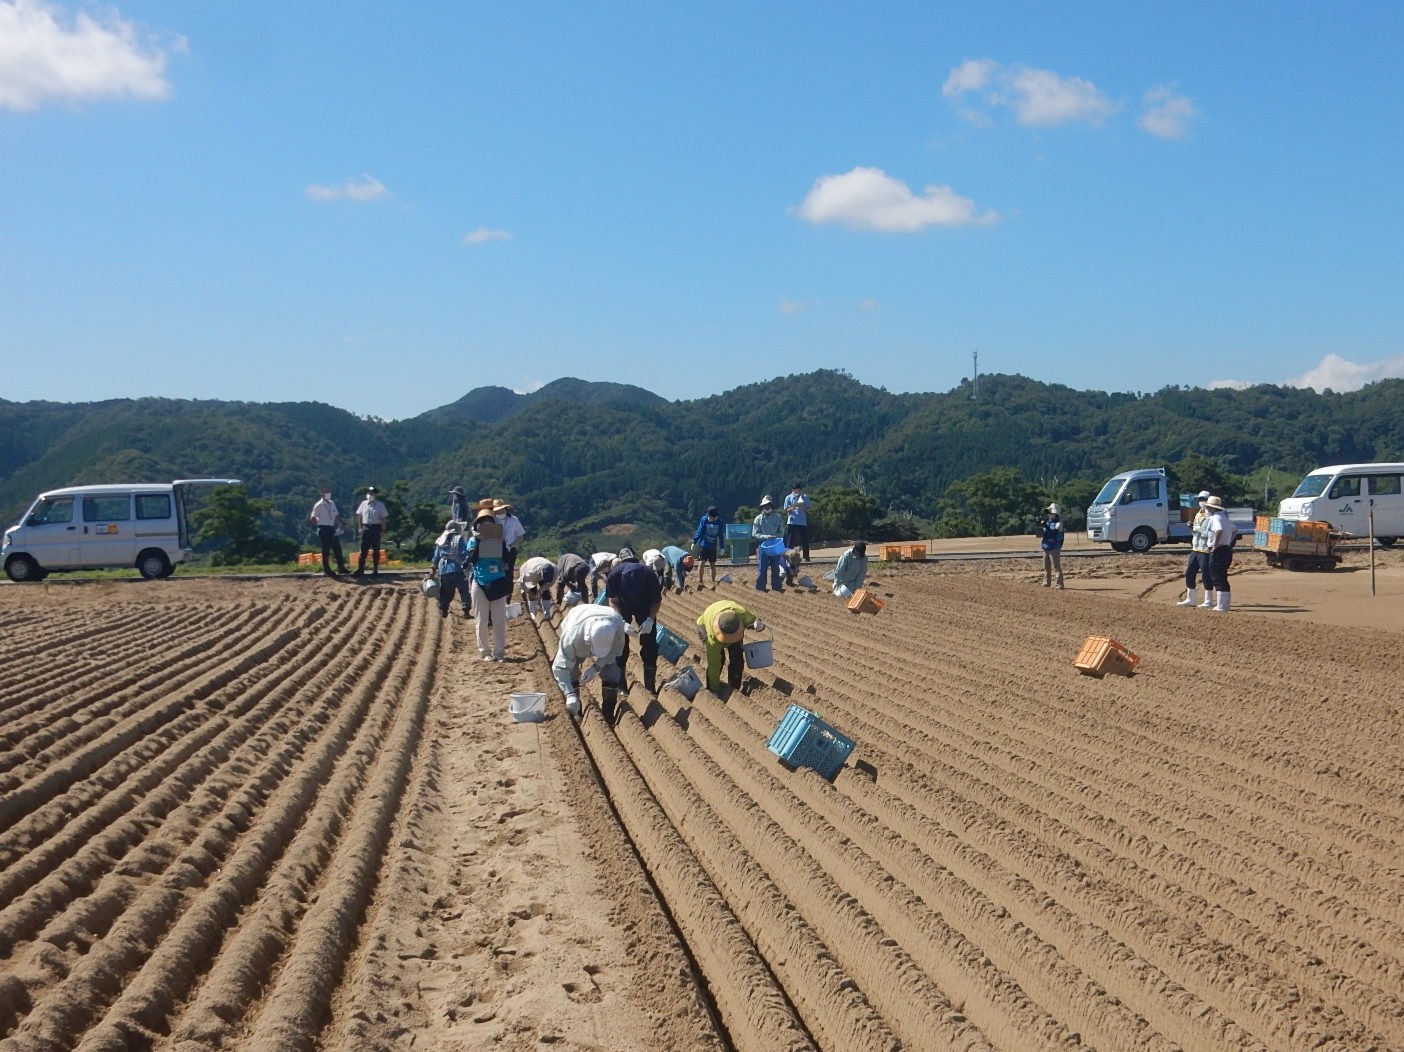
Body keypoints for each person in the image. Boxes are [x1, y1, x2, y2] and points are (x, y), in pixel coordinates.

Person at [604, 546, 664, 694]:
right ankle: (639, 686)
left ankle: (627, 687)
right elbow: (613, 602)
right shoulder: (618, 575)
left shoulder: (647, 573)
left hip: (643, 605)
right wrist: (621, 622)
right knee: (630, 643)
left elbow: (656, 600)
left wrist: (649, 620)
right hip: (624, 607)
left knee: (625, 644)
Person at [552, 603, 627, 720]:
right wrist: (569, 694)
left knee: (611, 671)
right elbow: (560, 668)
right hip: (577, 617)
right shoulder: (571, 637)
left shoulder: (617, 626)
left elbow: (614, 652)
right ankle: (576, 710)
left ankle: (608, 714)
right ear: (588, 640)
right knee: (572, 670)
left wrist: (596, 667)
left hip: (604, 617)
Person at [467, 508, 511, 659]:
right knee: (481, 620)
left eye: (489, 524)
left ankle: (499, 653)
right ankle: (485, 652)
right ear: (477, 526)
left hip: (498, 581)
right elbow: (472, 559)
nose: (486, 526)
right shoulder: (473, 541)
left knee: (499, 620)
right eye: (482, 524)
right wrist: (480, 541)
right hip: (480, 582)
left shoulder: (500, 540)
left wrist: (502, 543)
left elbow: (507, 560)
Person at [695, 599, 763, 693]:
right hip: (704, 625)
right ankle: (712, 688)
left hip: (729, 622)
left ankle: (734, 687)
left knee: (737, 658)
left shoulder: (741, 613)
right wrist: (715, 690)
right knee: (719, 659)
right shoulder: (712, 637)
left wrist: (758, 625)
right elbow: (713, 664)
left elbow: (753, 620)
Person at [1177, 490, 1214, 607]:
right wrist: (1192, 528)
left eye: (1203, 499)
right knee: (1189, 573)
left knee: (1206, 574)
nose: (1201, 502)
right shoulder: (1198, 514)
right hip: (1196, 548)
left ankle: (1208, 600)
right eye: (1199, 499)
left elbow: (1209, 533)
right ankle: (1190, 599)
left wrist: (1196, 529)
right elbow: (1196, 531)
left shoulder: (1211, 516)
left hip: (1205, 549)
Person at [429, 520, 471, 618]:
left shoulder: (441, 539)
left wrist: (433, 568)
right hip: (459, 569)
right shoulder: (459, 538)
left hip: (444, 569)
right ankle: (466, 611)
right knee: (463, 591)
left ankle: (443, 609)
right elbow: (465, 553)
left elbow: (436, 556)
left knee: (445, 591)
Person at [1204, 495, 1237, 613]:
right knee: (1222, 576)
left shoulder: (1215, 518)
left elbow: (1218, 530)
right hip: (1226, 549)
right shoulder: (1224, 518)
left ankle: (1221, 606)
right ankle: (1224, 605)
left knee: (1217, 576)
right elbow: (1234, 530)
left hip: (1219, 550)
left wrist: (1215, 545)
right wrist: (1229, 542)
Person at [308, 486, 349, 576]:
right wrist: (319, 524)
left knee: (337, 548)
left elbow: (336, 515)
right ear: (322, 494)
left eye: (328, 492)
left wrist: (342, 522)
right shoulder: (318, 505)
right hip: (323, 528)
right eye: (326, 492)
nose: (328, 494)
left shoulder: (332, 503)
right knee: (326, 549)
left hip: (331, 528)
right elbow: (312, 518)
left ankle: (341, 567)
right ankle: (326, 569)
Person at [353, 486, 389, 578]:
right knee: (363, 549)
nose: (370, 495)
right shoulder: (363, 503)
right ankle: (360, 569)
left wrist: (383, 529)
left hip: (375, 527)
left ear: (376, 494)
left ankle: (375, 570)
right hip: (366, 527)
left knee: (376, 550)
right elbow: (359, 516)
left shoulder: (380, 505)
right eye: (369, 493)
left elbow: (383, 518)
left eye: (372, 493)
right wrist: (360, 527)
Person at [752, 495, 785, 592]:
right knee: (762, 568)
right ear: (762, 507)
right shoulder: (758, 519)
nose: (766, 507)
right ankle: (760, 588)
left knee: (776, 568)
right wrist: (766, 537)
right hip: (763, 546)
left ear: (771, 506)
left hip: (775, 546)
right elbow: (754, 534)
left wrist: (776, 536)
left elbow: (781, 531)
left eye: (768, 505)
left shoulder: (778, 518)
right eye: (765, 505)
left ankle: (776, 588)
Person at [495, 501, 526, 599]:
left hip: (510, 550)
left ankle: (508, 594)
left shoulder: (514, 520)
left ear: (505, 509)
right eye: (498, 510)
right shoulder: (493, 520)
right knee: (496, 571)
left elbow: (520, 536)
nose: (500, 512)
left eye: (501, 509)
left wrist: (512, 545)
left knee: (509, 572)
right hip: (496, 550)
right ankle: (498, 593)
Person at [516, 555, 557, 622]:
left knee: (546, 593)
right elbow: (519, 583)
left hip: (540, 568)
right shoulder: (530, 573)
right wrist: (529, 592)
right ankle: (533, 614)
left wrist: (540, 591)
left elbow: (549, 584)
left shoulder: (555, 571)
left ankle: (547, 614)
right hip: (529, 568)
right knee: (532, 591)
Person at [691, 507, 723, 589]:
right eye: (714, 516)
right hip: (704, 546)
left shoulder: (719, 522)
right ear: (710, 516)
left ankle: (713, 581)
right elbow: (699, 531)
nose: (716, 517)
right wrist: (694, 542)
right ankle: (700, 580)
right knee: (702, 563)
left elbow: (720, 535)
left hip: (713, 547)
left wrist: (722, 547)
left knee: (712, 564)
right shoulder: (704, 520)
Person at [1038, 503, 1066, 589]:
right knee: (1046, 567)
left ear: (1055, 513)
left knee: (1056, 567)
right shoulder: (1048, 523)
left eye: (1051, 513)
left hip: (1055, 547)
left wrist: (1044, 525)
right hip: (1046, 546)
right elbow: (1042, 534)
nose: (1049, 514)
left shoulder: (1058, 523)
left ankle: (1059, 584)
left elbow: (1053, 533)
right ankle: (1046, 582)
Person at [783, 483, 812, 561]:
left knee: (805, 540)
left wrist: (802, 506)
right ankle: (787, 557)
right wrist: (793, 507)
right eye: (795, 490)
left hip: (802, 522)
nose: (797, 491)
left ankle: (806, 557)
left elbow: (807, 509)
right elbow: (786, 510)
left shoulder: (804, 497)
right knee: (790, 540)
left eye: (798, 490)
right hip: (792, 522)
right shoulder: (788, 497)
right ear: (792, 490)